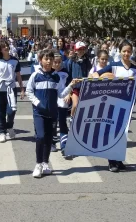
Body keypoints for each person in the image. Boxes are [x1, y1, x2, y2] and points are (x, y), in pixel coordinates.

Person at [92, 40, 136, 172]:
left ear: (132, 52)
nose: (127, 53)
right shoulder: (113, 65)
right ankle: (112, 161)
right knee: (112, 132)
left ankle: (118, 159)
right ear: (120, 52)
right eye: (124, 51)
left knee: (122, 133)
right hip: (112, 104)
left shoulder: (134, 69)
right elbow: (95, 74)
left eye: (129, 51)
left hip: (127, 105)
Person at [26, 49, 80, 178]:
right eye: (46, 59)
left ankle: (45, 163)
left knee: (49, 138)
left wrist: (71, 86)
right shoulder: (36, 75)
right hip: (39, 112)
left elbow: (61, 93)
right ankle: (38, 164)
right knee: (40, 137)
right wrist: (38, 103)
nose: (49, 61)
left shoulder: (56, 76)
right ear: (41, 60)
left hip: (52, 112)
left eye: (50, 59)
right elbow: (29, 91)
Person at [0, 41, 25, 143]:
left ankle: (10, 127)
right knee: (1, 112)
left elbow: (18, 75)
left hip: (11, 89)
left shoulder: (15, 61)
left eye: (7, 46)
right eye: (3, 46)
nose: (6, 47)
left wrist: (22, 89)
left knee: (11, 111)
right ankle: (2, 132)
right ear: (0, 49)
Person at [51, 53, 71, 158]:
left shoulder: (65, 72)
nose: (57, 64)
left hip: (63, 100)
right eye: (55, 62)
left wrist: (69, 94)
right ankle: (52, 142)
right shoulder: (49, 73)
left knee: (62, 122)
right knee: (53, 123)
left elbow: (70, 85)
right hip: (52, 100)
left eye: (59, 62)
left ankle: (64, 146)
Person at [67, 41, 92, 118]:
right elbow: (68, 74)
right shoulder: (71, 61)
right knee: (75, 104)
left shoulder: (87, 60)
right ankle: (72, 118)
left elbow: (90, 71)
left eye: (83, 49)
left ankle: (80, 119)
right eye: (79, 49)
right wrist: (68, 90)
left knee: (84, 106)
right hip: (74, 87)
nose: (81, 51)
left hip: (84, 86)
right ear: (75, 50)